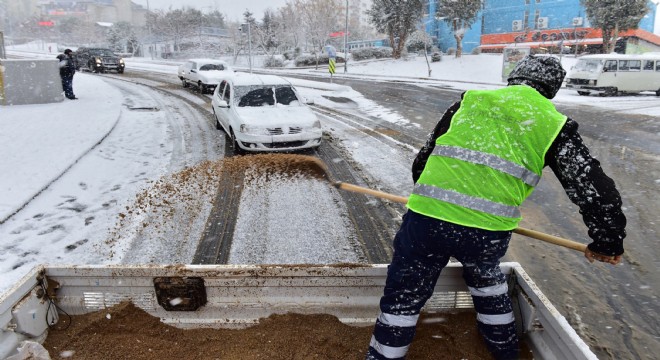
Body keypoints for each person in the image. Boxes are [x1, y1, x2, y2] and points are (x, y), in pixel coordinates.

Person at [365, 55, 626, 360]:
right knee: (488, 287)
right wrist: (608, 241)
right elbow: (594, 189)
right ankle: (505, 353)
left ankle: (384, 356)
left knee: (403, 297)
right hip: (485, 232)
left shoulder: (471, 101)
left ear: (514, 78)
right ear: (552, 89)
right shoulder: (553, 123)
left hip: (426, 221)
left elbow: (425, 158)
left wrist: (431, 199)